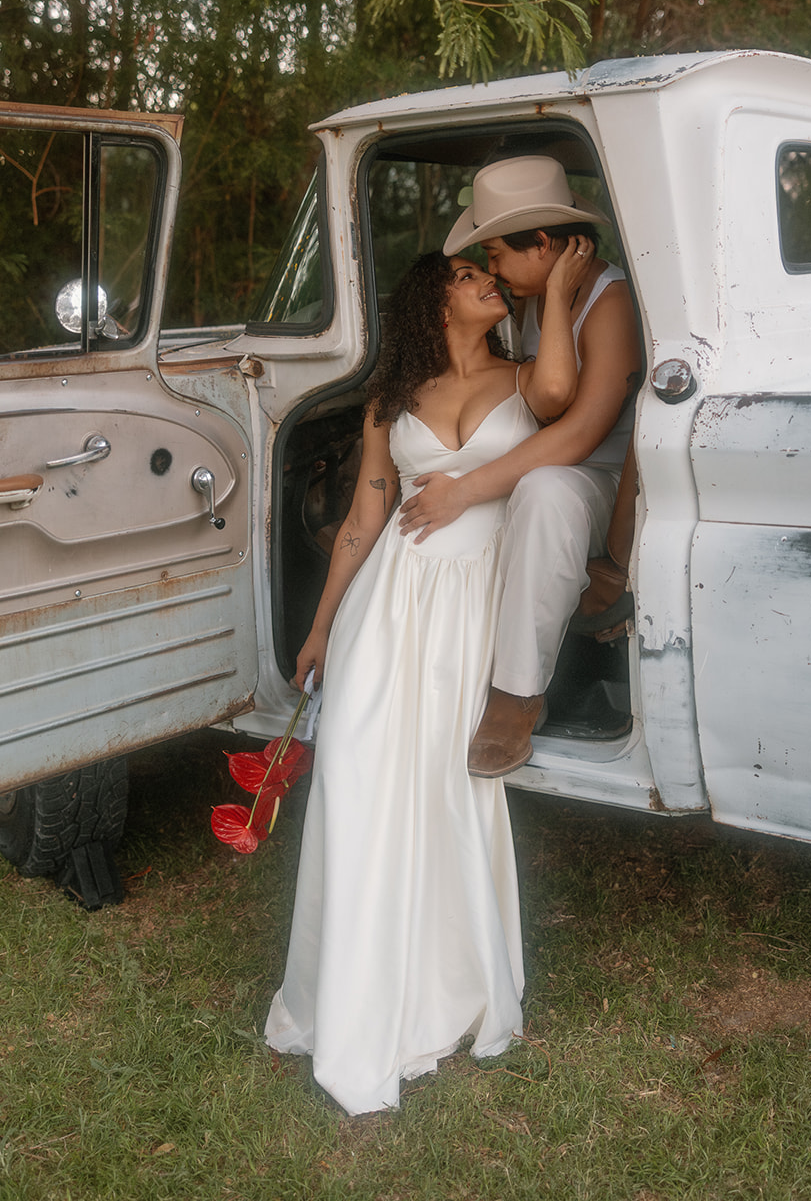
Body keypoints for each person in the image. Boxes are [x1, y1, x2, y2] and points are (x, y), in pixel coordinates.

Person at [265, 243, 591, 1115]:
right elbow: (363, 516)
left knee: (448, 785)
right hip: (389, 600)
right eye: (468, 273)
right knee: (358, 773)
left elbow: (564, 395)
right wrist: (324, 623)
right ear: (434, 301)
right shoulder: (389, 401)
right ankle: (352, 993)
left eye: (495, 274)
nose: (490, 278)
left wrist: (556, 289)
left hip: (473, 603)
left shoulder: (525, 379)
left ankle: (447, 984)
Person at [398, 155, 642, 777]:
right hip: (535, 475)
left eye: (499, 256)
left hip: (603, 482)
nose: (493, 272)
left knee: (548, 488)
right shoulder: (531, 298)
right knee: (536, 488)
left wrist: (463, 491)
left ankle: (514, 698)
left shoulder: (608, 300)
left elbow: (582, 433)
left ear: (542, 244)